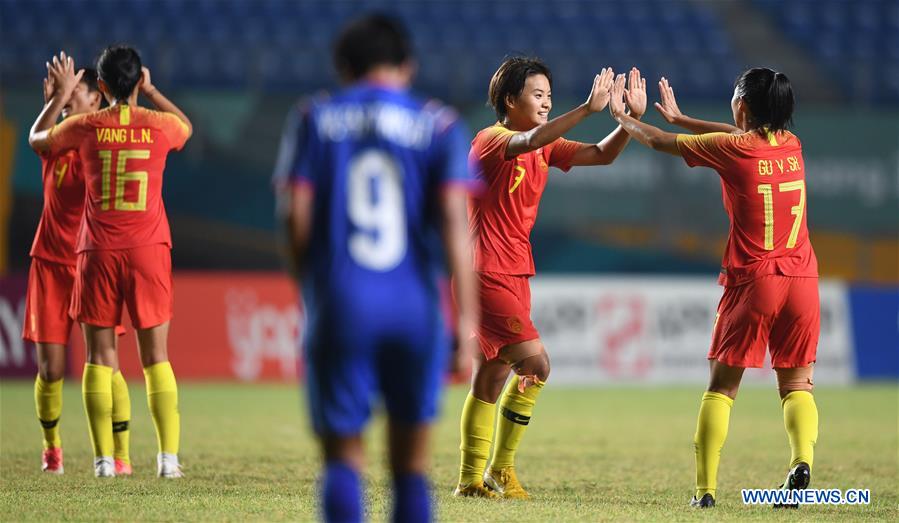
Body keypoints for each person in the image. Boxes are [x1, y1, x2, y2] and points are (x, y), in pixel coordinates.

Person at [274, 14, 478, 523]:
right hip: (413, 305)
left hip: (343, 301)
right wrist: (468, 323)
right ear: (407, 65)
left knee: (344, 458)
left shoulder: (313, 117)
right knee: (411, 465)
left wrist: (313, 289)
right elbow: (457, 223)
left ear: (343, 66)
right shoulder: (440, 124)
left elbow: (294, 215)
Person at [608, 69, 819, 508]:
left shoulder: (734, 150)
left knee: (722, 388)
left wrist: (623, 117)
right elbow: (737, 136)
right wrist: (684, 119)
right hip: (802, 280)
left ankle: (704, 493)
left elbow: (657, 142)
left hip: (755, 281)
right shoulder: (792, 146)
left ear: (741, 104)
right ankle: (801, 461)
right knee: (797, 384)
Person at [454, 59, 647, 499]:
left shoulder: (544, 145)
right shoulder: (490, 140)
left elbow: (602, 154)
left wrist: (631, 119)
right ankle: (500, 470)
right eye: (537, 95)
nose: (546, 102)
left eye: (549, 96)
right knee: (536, 365)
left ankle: (469, 481)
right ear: (510, 100)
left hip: (513, 271)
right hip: (486, 272)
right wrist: (585, 109)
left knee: (490, 375)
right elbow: (529, 139)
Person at [29, 48, 192, 478]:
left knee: (99, 358)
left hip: (97, 251)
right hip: (148, 249)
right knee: (156, 357)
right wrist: (153, 92)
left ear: (100, 88)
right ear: (137, 81)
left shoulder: (84, 126)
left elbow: (36, 140)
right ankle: (168, 461)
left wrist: (58, 99)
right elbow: (187, 128)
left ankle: (103, 461)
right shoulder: (158, 125)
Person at [24, 63, 133, 476]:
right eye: (66, 95)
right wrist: (54, 100)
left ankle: (120, 455)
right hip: (50, 264)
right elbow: (36, 141)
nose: (69, 99)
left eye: (77, 93)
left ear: (97, 98)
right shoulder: (57, 137)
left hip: (92, 263)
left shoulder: (102, 141)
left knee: (109, 364)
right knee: (51, 370)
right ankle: (52, 448)